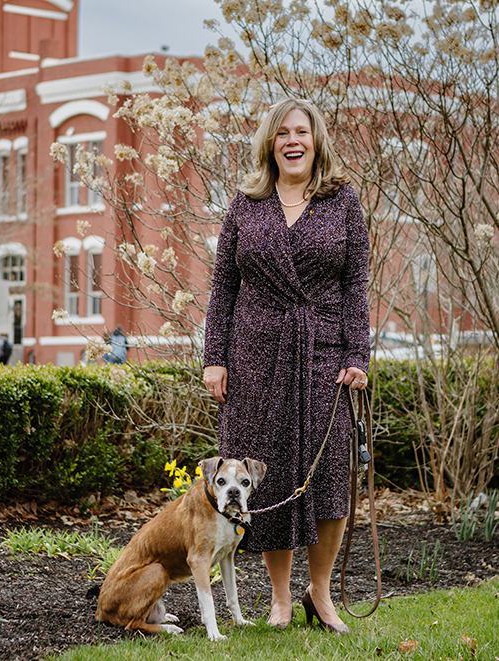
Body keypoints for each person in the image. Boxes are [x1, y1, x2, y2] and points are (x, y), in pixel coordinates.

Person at [203, 98, 370, 633]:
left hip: (325, 354)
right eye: (282, 134)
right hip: (255, 355)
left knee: (327, 481)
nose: (292, 141)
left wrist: (356, 355)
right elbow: (223, 286)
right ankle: (278, 599)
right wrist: (215, 358)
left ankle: (319, 596)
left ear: (316, 139)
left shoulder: (343, 200)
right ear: (270, 144)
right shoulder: (245, 204)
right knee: (267, 479)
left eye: (302, 131)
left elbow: (355, 285)